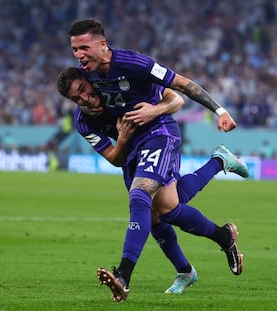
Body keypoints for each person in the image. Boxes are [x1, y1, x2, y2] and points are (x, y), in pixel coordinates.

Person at [57, 61, 247, 302]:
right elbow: (115, 158)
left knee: (142, 199)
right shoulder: (83, 122)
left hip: (158, 136)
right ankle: (213, 238)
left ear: (90, 81)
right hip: (131, 154)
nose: (86, 98)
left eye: (85, 89)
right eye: (78, 98)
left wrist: (153, 110)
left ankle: (123, 276)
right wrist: (123, 139)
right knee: (163, 211)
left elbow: (176, 99)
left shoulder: (121, 82)